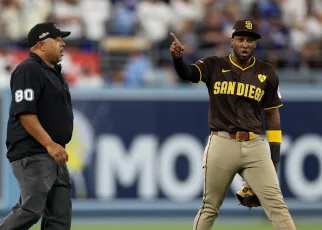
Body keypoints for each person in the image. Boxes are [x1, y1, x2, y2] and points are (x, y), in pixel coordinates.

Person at [170, 20, 296, 230]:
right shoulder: (214, 65)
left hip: (255, 145)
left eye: (250, 40)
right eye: (240, 39)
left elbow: (273, 116)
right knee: (209, 207)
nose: (245, 44)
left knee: (277, 204)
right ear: (231, 42)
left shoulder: (267, 72)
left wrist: (274, 159)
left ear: (255, 44)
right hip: (222, 142)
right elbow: (187, 73)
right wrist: (177, 58)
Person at [0, 22, 74, 230]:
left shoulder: (52, 72)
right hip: (35, 151)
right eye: (57, 39)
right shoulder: (28, 69)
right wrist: (50, 144)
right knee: (31, 210)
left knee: (59, 220)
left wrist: (54, 147)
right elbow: (25, 114)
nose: (62, 44)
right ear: (41, 45)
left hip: (55, 154)